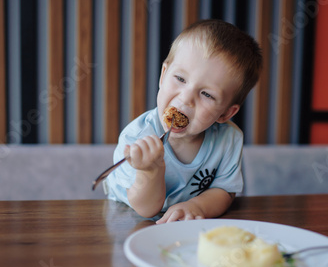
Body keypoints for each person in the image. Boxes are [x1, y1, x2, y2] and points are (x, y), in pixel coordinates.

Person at [105, 19, 262, 223]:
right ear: (163, 76)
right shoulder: (136, 137)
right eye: (180, 79)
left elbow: (224, 190)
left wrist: (196, 206)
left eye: (207, 94)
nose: (186, 98)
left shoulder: (228, 140)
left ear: (225, 113)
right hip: (129, 220)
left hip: (185, 226)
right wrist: (150, 171)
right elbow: (146, 209)